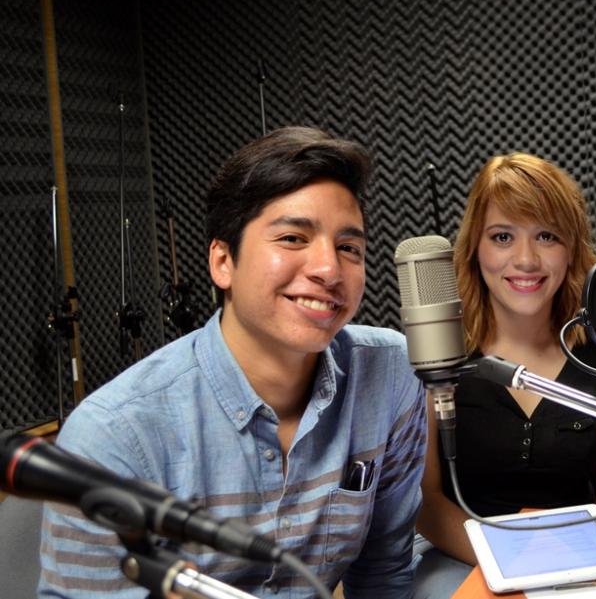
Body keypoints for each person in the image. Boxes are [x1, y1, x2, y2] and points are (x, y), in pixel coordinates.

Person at [37, 127, 427, 598]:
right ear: (223, 262)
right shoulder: (115, 434)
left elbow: (384, 571)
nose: (329, 269)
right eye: (292, 238)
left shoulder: (388, 374)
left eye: (349, 248)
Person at [413, 153, 596, 597]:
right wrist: (512, 565)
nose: (525, 259)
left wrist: (575, 575)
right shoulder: (436, 356)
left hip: (581, 559)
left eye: (546, 236)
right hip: (464, 553)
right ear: (475, 249)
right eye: (502, 237)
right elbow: (427, 504)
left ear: (571, 250)